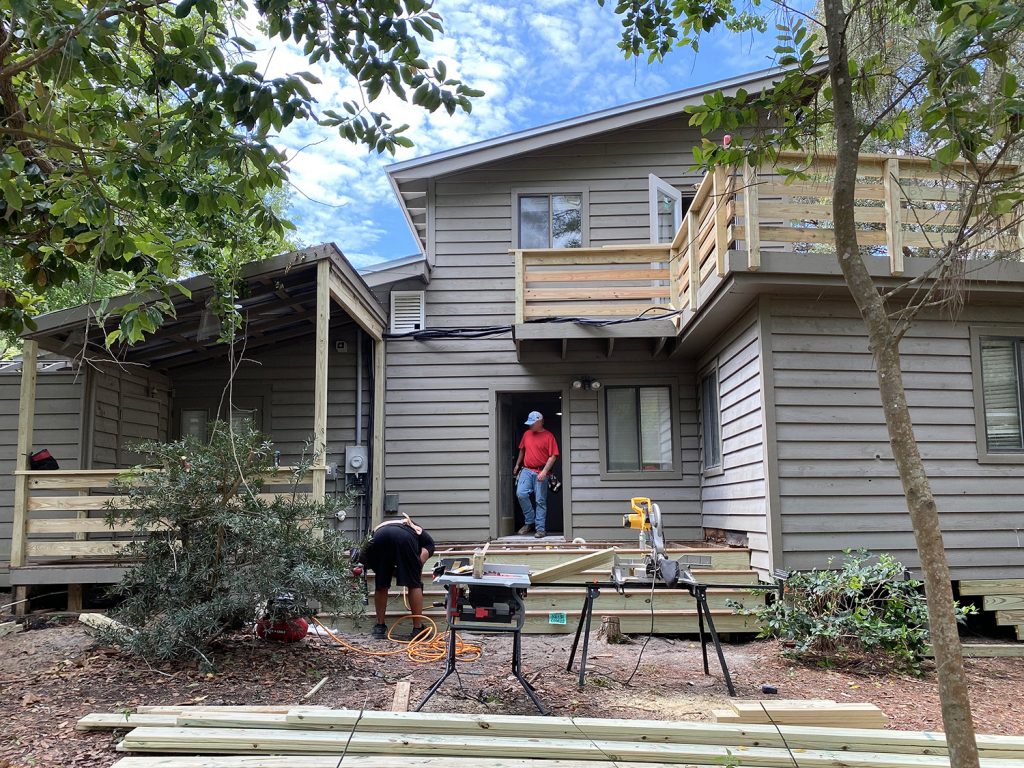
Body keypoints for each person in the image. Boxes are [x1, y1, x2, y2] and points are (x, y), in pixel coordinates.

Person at [360, 514, 436, 639]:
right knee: (414, 584)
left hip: (378, 537)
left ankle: (379, 627)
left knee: (381, 583)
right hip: (403, 538)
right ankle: (417, 629)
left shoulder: (387, 525)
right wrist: (415, 570)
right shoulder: (424, 538)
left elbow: (366, 554)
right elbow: (428, 549)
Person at [513, 410, 560, 538]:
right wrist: (517, 465)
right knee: (521, 493)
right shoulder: (527, 434)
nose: (530, 426)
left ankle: (540, 529)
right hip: (527, 470)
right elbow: (522, 450)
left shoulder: (549, 436)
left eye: (532, 423)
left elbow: (553, 456)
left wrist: (545, 471)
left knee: (540, 500)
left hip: (541, 471)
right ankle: (529, 521)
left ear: (540, 422)